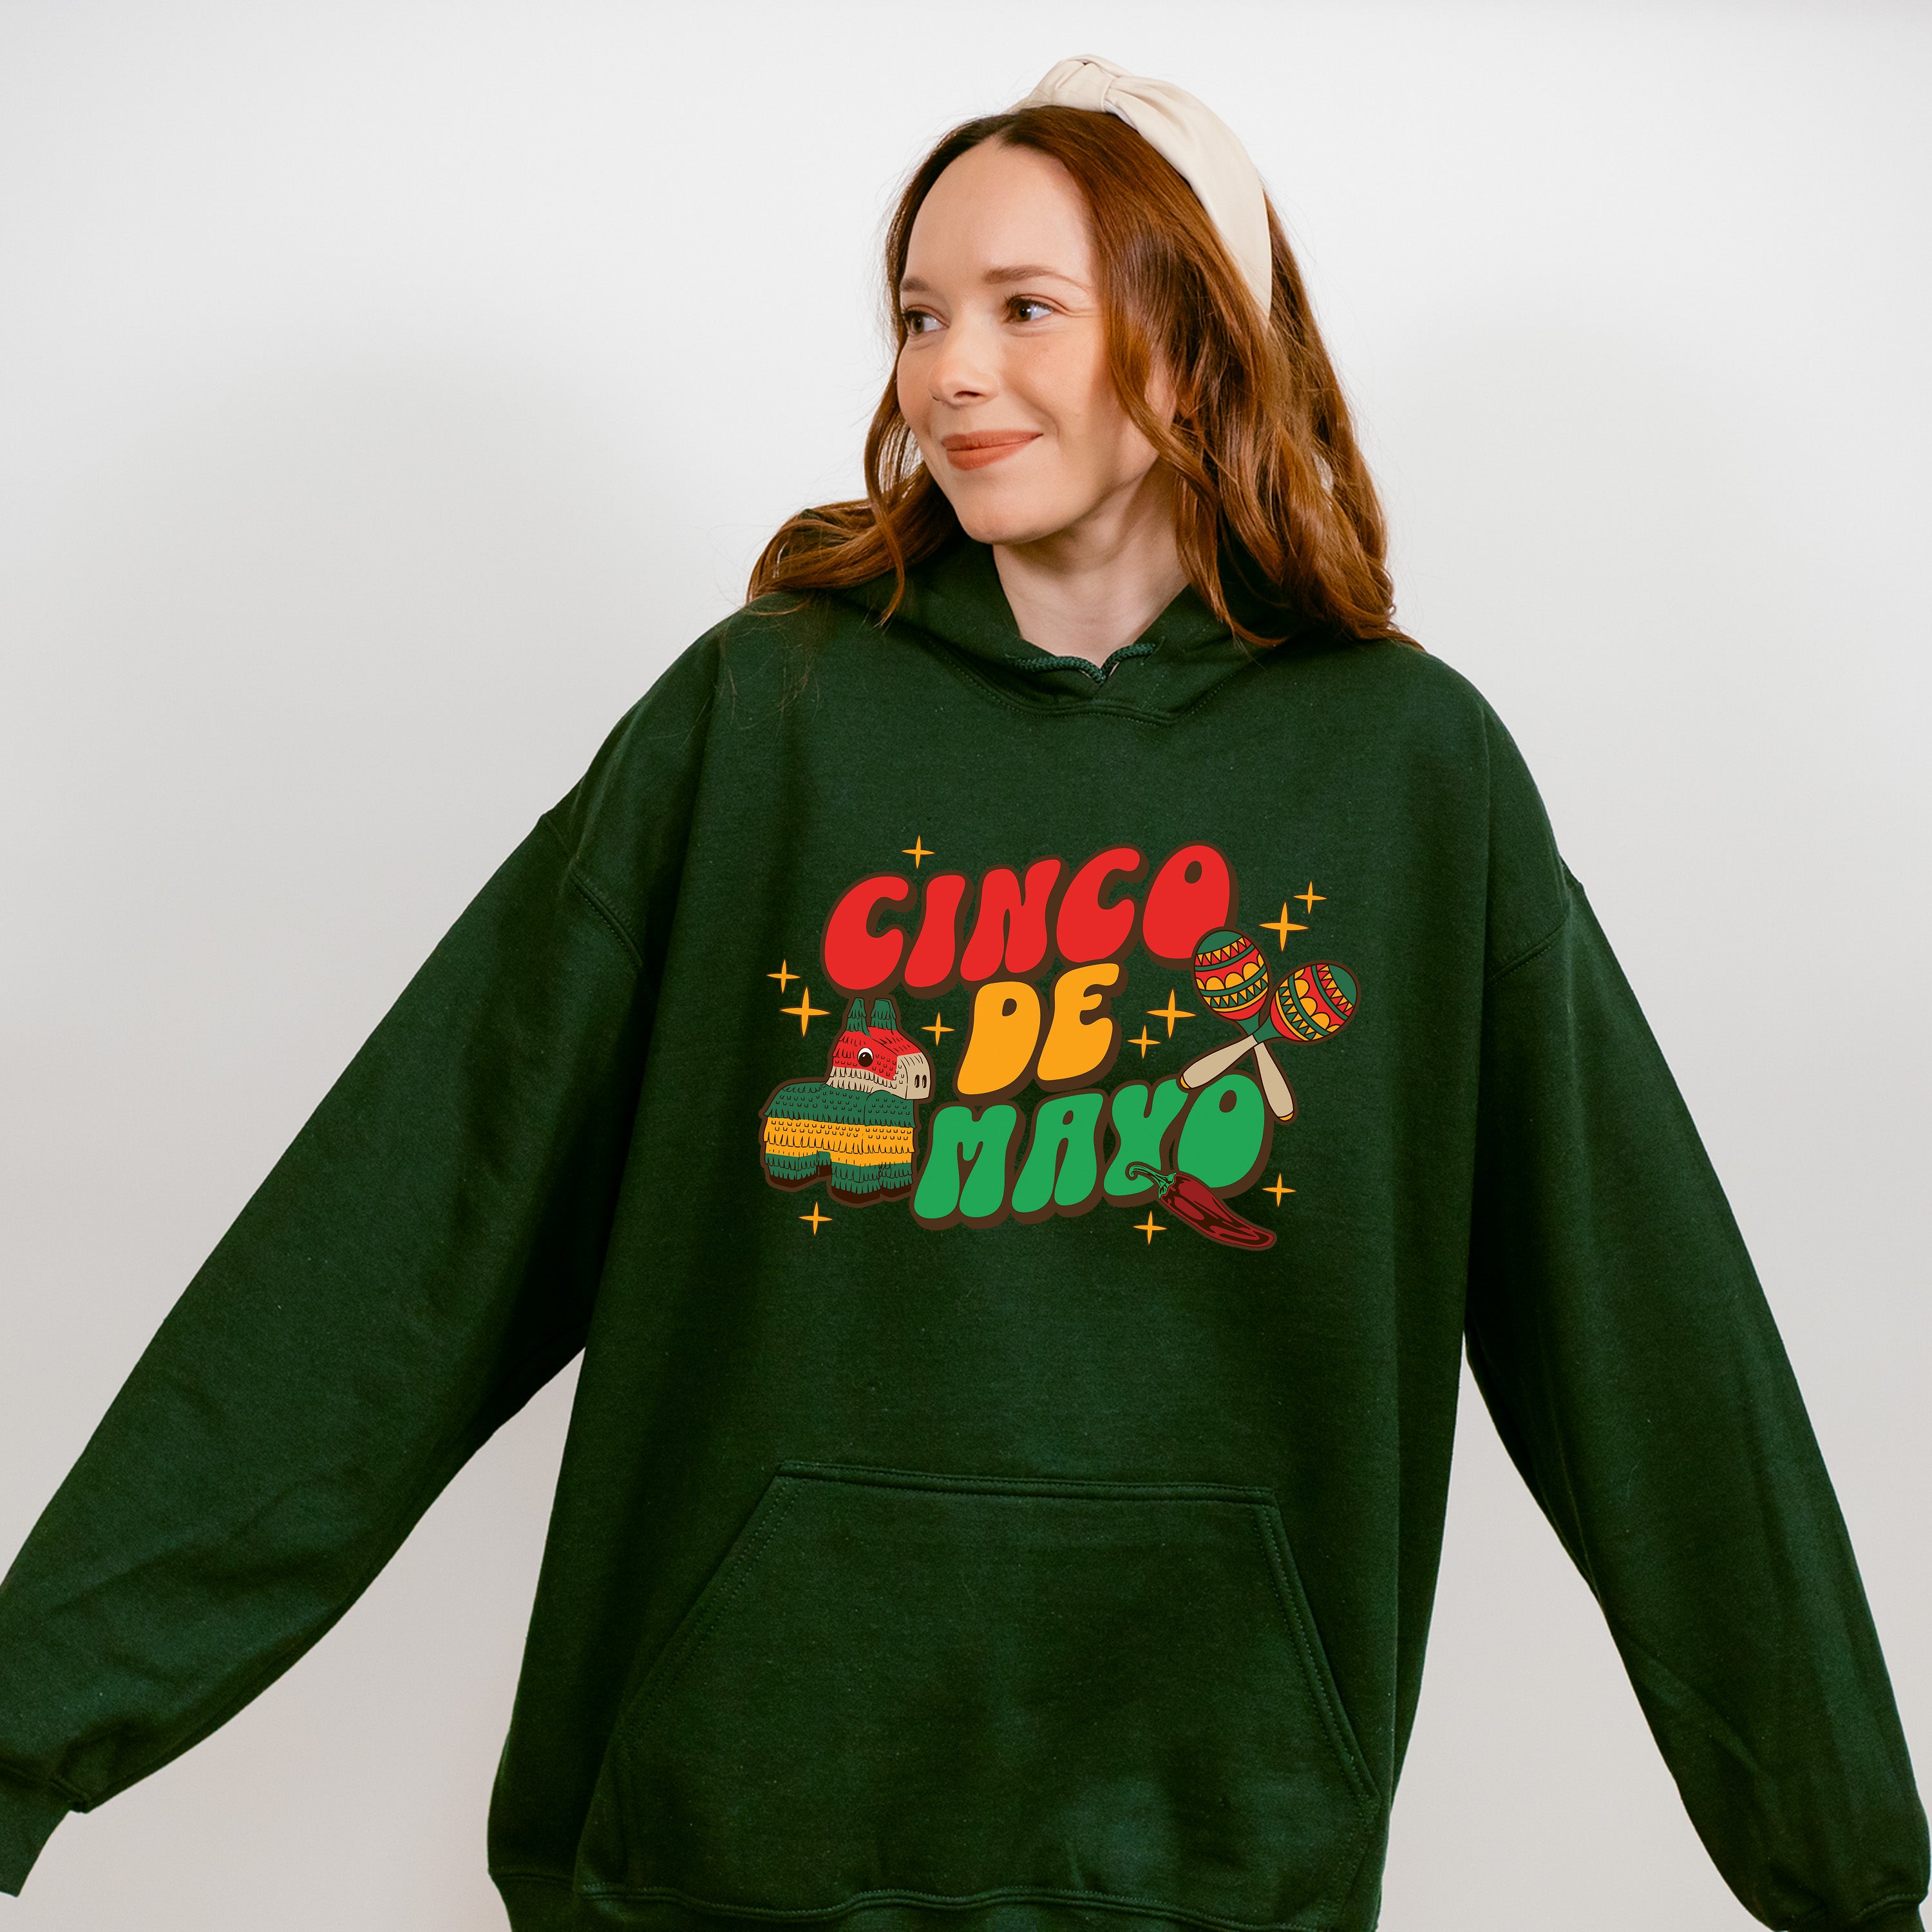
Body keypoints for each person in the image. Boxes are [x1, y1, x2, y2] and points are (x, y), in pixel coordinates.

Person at [0, 52, 1923, 1932]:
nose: (950, 371)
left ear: (1196, 339)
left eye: (1025, 306)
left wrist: (1845, 1868)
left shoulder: (1413, 779)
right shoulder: (762, 724)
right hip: (720, 1847)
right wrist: (27, 1726)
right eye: (922, 315)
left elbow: (1645, 1333)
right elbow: (399, 1244)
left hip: (1209, 1857)